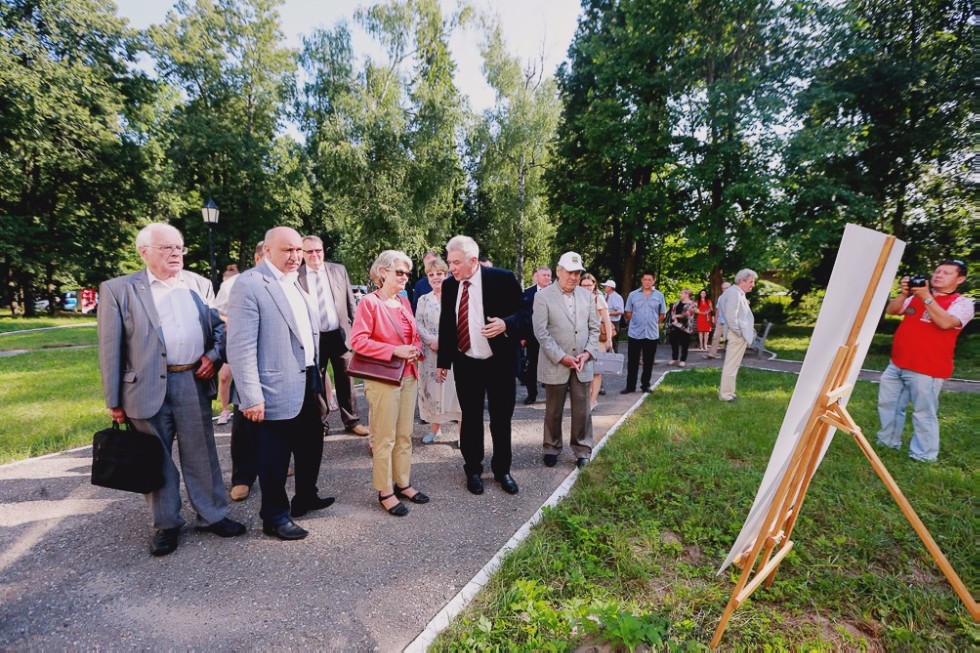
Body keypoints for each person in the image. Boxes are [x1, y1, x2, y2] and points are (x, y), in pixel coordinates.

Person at [97, 222, 246, 556]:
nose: (175, 254)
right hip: (144, 388)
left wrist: (212, 354)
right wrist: (113, 399)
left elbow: (219, 328)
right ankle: (166, 524)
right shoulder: (120, 289)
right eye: (166, 248)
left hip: (192, 380)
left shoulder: (199, 284)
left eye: (179, 247)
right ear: (144, 252)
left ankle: (213, 515)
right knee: (156, 458)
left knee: (202, 454)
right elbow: (110, 348)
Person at [227, 227, 335, 541]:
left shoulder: (295, 284)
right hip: (271, 389)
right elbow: (241, 346)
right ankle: (274, 516)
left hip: (307, 379)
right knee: (274, 458)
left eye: (298, 250)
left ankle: (306, 496)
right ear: (268, 251)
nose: (295, 257)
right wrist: (251, 397)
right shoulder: (249, 284)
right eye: (287, 250)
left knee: (311, 444)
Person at [437, 235, 524, 496]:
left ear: (473, 261)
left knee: (500, 419)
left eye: (455, 262)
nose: (451, 268)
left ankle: (502, 470)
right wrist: (443, 361)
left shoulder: (502, 278)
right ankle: (473, 469)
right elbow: (447, 324)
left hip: (499, 364)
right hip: (467, 362)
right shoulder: (451, 286)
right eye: (449, 262)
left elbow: (526, 312)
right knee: (471, 419)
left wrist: (506, 323)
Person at [350, 250, 429, 516]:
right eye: (399, 272)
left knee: (405, 434)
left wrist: (415, 347)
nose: (405, 277)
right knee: (384, 438)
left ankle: (403, 482)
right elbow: (358, 342)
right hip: (384, 378)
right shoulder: (369, 303)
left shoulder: (404, 301)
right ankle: (385, 490)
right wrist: (395, 350)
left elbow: (413, 335)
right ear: (382, 272)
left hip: (408, 375)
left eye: (407, 272)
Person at [876, 260, 973, 462]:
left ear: (960, 279)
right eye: (937, 271)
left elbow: (946, 323)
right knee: (888, 405)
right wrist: (904, 294)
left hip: (927, 368)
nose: (938, 275)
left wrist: (927, 297)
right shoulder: (914, 297)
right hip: (898, 362)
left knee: (923, 412)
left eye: (947, 273)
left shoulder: (962, 303)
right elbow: (891, 311)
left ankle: (923, 455)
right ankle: (887, 443)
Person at [532, 253, 600, 470]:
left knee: (583, 410)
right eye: (570, 272)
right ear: (559, 270)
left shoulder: (587, 296)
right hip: (556, 362)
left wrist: (587, 353)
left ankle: (582, 449)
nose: (574, 277)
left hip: (582, 363)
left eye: (577, 273)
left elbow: (594, 329)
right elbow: (541, 333)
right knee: (553, 410)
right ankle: (551, 447)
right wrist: (562, 357)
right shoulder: (543, 296)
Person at [298, 235, 369, 437]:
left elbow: (350, 303)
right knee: (316, 381)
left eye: (318, 250)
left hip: (340, 335)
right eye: (309, 251)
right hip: (313, 338)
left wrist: (356, 331)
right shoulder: (296, 275)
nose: (314, 255)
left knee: (346, 378)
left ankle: (352, 420)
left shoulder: (338, 270)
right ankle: (320, 424)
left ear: (323, 251)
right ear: (302, 254)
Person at [227, 242, 264, 502]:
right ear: (258, 257)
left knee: (277, 424)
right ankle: (242, 477)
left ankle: (275, 462)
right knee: (244, 425)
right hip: (246, 359)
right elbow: (217, 314)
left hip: (277, 365)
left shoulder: (288, 282)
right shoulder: (238, 283)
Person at [415, 256, 461, 444]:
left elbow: (461, 323)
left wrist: (446, 341)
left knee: (456, 392)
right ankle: (436, 429)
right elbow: (417, 324)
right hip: (430, 354)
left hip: (454, 353)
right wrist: (431, 340)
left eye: (439, 274)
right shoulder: (423, 299)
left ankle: (462, 434)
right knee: (433, 392)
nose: (435, 277)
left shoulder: (457, 296)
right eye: (431, 275)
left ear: (447, 274)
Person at [716, 269, 758, 401]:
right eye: (751, 282)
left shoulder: (736, 293)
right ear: (742, 281)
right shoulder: (734, 293)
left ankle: (729, 392)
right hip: (736, 335)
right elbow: (730, 317)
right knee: (731, 365)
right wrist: (740, 333)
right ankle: (726, 395)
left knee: (733, 365)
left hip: (735, 334)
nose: (753, 285)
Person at [622, 273, 667, 394]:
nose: (647, 282)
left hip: (651, 333)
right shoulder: (633, 295)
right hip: (635, 332)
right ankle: (630, 386)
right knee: (632, 361)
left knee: (648, 361)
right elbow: (628, 312)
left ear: (654, 281)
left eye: (650, 280)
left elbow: (662, 314)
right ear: (641, 280)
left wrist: (653, 322)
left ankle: (645, 385)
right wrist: (637, 321)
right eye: (645, 279)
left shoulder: (659, 295)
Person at [580, 273, 614, 411]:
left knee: (596, 371)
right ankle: (587, 398)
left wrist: (609, 339)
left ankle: (593, 400)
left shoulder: (598, 298)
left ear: (594, 284)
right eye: (584, 285)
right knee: (584, 370)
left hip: (597, 339)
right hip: (581, 338)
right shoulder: (577, 298)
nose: (587, 287)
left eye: (589, 284)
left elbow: (607, 321)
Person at [213, 264, 241, 425]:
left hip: (245, 337)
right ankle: (225, 409)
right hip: (229, 337)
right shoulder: (227, 287)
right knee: (224, 376)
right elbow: (216, 312)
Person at [520, 266, 552, 404]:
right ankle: (532, 394)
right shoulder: (527, 293)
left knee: (553, 366)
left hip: (553, 337)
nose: (546, 278)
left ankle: (552, 396)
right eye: (543, 275)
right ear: (536, 277)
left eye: (548, 275)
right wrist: (522, 336)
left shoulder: (557, 292)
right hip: (533, 337)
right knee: (532, 366)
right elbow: (522, 315)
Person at [667, 288, 696, 367]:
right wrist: (675, 319)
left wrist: (676, 316)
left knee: (685, 344)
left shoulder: (692, 304)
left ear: (687, 294)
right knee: (674, 342)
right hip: (675, 325)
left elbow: (687, 314)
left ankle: (683, 360)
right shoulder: (676, 303)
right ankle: (674, 359)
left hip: (686, 326)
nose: (680, 294)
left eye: (682, 293)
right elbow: (672, 312)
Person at [705, 281, 731, 359]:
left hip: (730, 322)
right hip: (720, 321)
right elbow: (718, 309)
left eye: (726, 288)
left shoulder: (735, 297)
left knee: (731, 339)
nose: (724, 289)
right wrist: (716, 319)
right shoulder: (721, 297)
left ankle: (731, 356)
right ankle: (712, 354)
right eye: (723, 288)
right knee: (715, 337)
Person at [601, 280, 624, 353]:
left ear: (610, 288)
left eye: (605, 286)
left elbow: (621, 311)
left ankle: (615, 359)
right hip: (603, 322)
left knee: (613, 343)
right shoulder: (604, 296)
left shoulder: (618, 297)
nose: (604, 287)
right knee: (603, 341)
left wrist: (608, 313)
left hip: (613, 322)